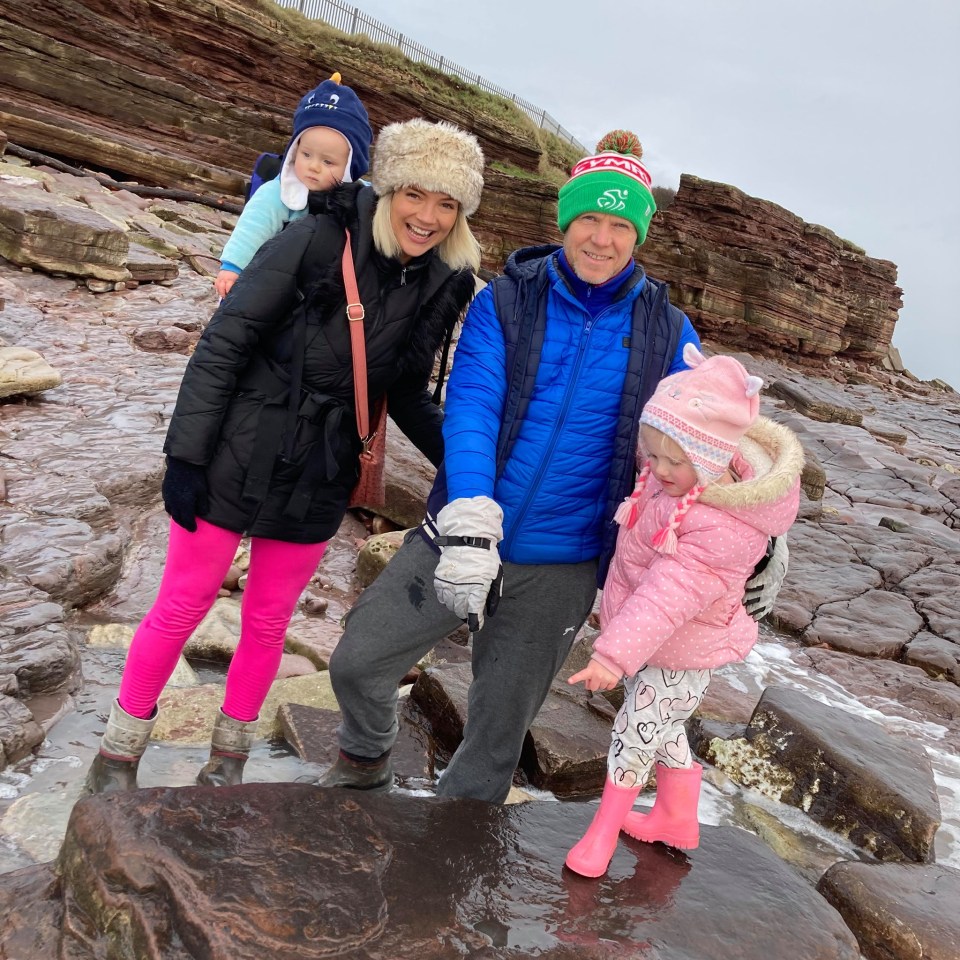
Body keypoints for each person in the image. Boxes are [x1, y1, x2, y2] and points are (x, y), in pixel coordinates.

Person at [83, 117, 486, 793]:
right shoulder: (319, 235)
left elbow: (408, 390)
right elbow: (226, 341)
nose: (430, 216)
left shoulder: (445, 281)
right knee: (182, 605)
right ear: (389, 189)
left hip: (323, 467)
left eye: (449, 203)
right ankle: (118, 756)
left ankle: (227, 763)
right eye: (417, 194)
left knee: (269, 621)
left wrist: (472, 472)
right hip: (240, 445)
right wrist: (184, 458)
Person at [322, 130, 717, 801]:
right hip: (462, 532)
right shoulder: (505, 299)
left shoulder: (669, 331)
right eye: (589, 217)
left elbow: (709, 442)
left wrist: (762, 533)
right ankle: (365, 757)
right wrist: (472, 518)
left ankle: (443, 866)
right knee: (358, 662)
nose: (601, 238)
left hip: (562, 566)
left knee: (496, 737)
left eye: (620, 224)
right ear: (564, 221)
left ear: (639, 236)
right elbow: (472, 406)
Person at [563, 345, 803, 877]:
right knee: (663, 724)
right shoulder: (676, 480)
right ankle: (676, 815)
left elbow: (668, 593)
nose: (659, 469)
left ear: (713, 458)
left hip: (682, 649)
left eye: (676, 460)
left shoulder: (724, 525)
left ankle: (601, 832)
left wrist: (611, 654)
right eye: (653, 455)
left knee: (636, 730)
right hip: (659, 643)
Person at [214, 72, 373, 299]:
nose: (313, 166)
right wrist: (233, 268)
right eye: (306, 154)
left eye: (328, 161)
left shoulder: (361, 197)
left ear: (350, 166)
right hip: (274, 281)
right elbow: (251, 228)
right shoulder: (278, 193)